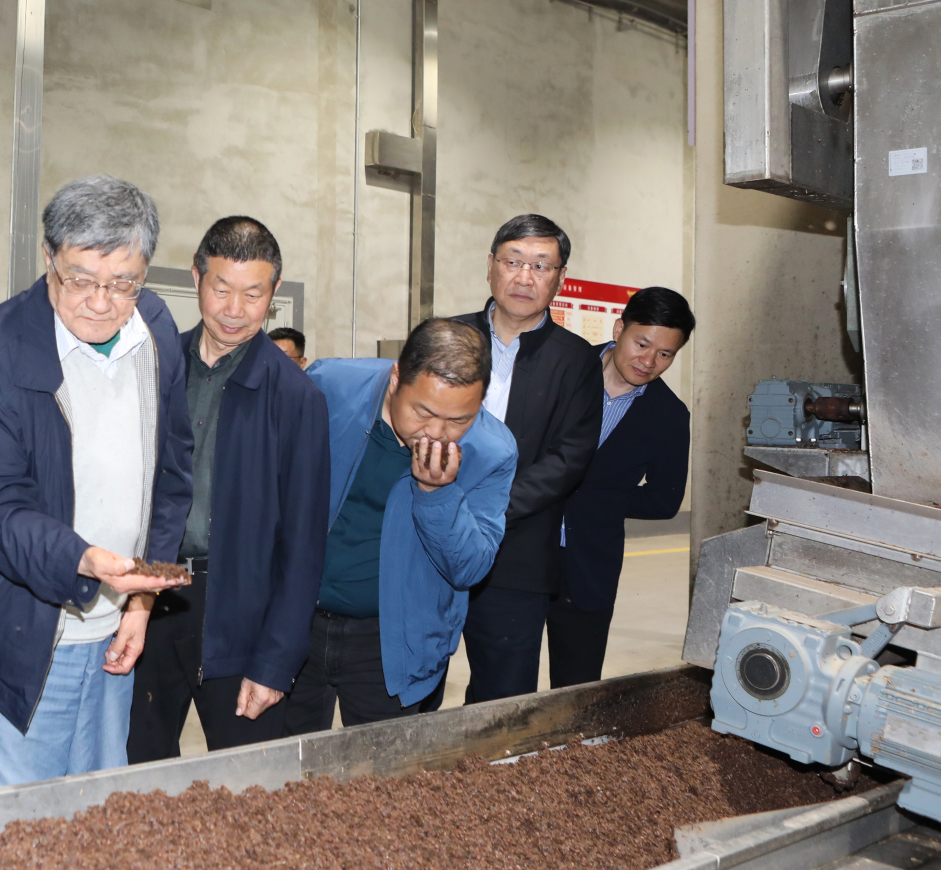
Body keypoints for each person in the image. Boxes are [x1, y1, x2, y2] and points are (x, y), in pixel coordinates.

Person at [0, 175, 191, 791]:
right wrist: (83, 560)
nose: (101, 302)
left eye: (123, 283)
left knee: (97, 817)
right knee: (15, 824)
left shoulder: (155, 329)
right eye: (80, 279)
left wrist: (141, 599)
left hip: (114, 631)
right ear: (49, 257)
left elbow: (172, 470)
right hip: (18, 633)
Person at [127, 218, 330, 760]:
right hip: (150, 594)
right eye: (221, 289)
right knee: (138, 770)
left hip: (242, 608)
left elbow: (304, 545)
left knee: (247, 782)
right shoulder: (153, 366)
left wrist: (275, 662)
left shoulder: (295, 397)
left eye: (253, 294)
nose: (235, 310)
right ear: (196, 278)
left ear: (274, 292)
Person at [283, 320, 517, 730]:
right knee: (284, 759)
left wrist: (436, 494)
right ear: (396, 378)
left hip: (393, 645)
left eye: (459, 420)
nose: (437, 434)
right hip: (294, 622)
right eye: (423, 412)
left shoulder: (491, 451)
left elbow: (469, 568)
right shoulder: (330, 388)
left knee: (383, 766)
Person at [451, 214, 603, 703]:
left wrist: (489, 508)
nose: (524, 276)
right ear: (491, 266)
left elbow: (568, 459)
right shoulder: (445, 337)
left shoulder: (576, 359)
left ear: (560, 278)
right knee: (410, 683)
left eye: (541, 266)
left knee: (503, 695)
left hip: (517, 553)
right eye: (513, 261)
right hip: (429, 539)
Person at [552, 286, 693, 687]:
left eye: (665, 354)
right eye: (641, 344)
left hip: (589, 565)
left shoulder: (668, 415)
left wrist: (594, 498)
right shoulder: (563, 368)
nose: (648, 361)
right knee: (502, 681)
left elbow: (664, 500)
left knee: (576, 688)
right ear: (619, 330)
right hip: (522, 550)